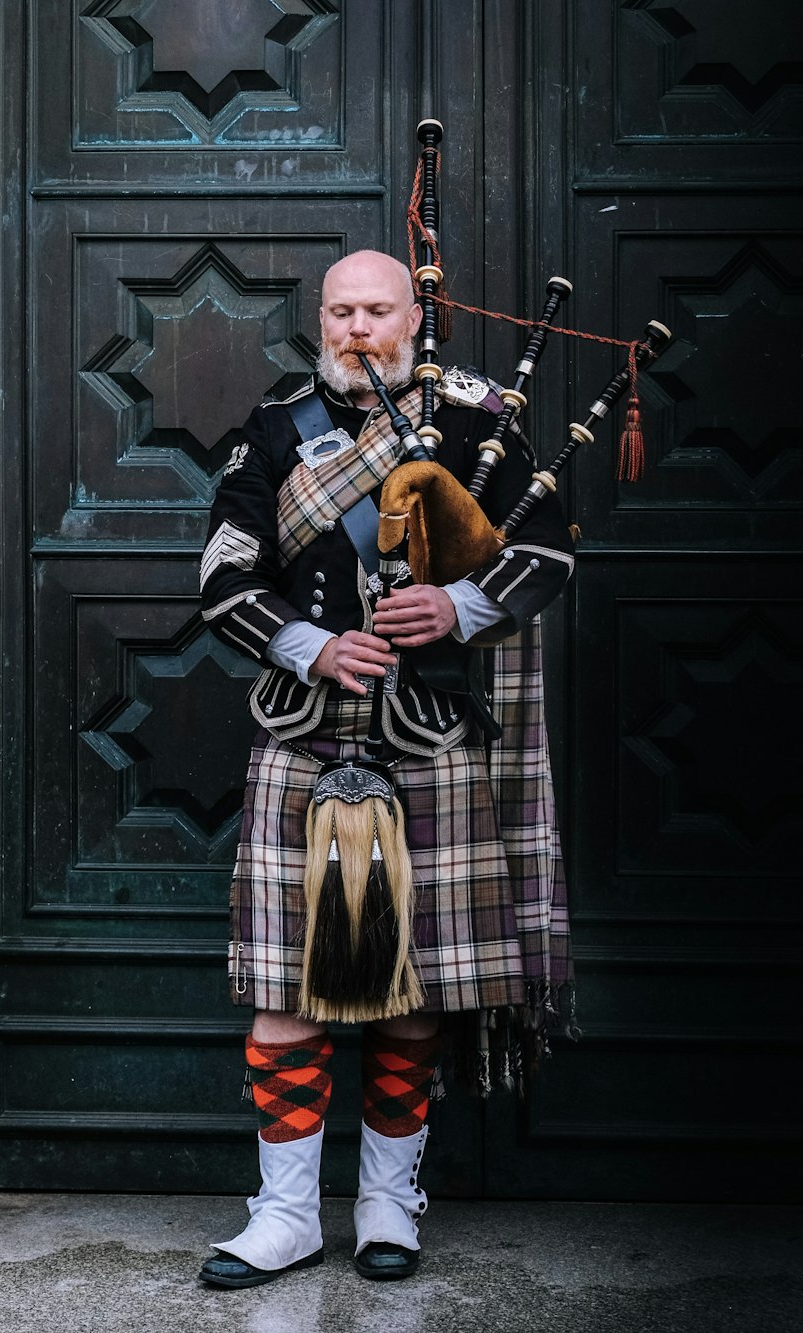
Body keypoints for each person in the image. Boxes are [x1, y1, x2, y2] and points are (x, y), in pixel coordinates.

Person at [197, 249, 575, 1289]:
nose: (358, 325)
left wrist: (457, 607)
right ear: (319, 318)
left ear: (417, 314)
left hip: (427, 730)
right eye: (340, 309)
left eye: (377, 308)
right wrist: (307, 643)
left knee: (412, 991)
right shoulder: (272, 428)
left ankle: (385, 1202)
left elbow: (544, 550)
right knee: (282, 989)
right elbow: (223, 573)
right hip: (303, 732)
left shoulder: (478, 419)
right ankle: (282, 1215)